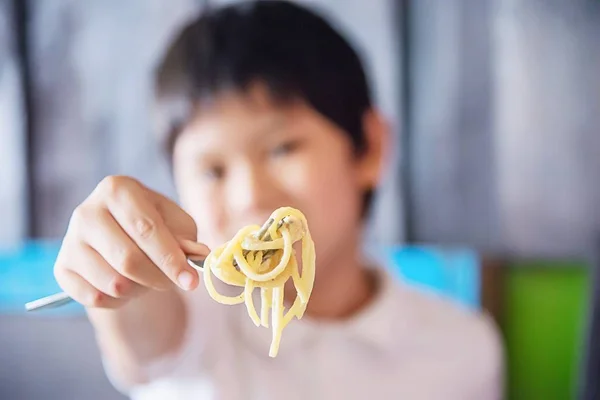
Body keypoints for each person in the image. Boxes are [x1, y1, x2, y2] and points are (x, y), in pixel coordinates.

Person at [53, 1, 503, 399]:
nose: (250, 196)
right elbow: (142, 345)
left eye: (282, 149)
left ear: (369, 147)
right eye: (213, 170)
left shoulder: (462, 349)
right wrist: (112, 265)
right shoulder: (188, 325)